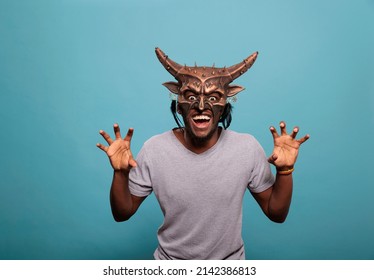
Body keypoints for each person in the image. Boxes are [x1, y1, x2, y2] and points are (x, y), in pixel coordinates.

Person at [96, 48, 310, 260]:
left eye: (213, 98)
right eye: (190, 96)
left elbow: (276, 213)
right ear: (179, 106)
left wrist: (285, 170)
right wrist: (120, 173)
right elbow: (122, 213)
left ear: (225, 106)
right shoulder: (154, 149)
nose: (200, 106)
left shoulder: (247, 148)